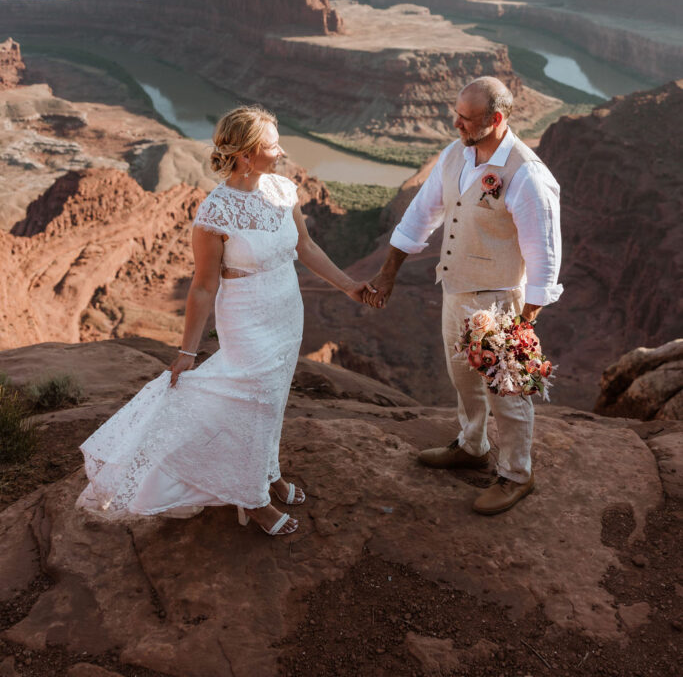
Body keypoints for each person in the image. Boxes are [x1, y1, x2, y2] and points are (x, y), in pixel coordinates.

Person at [77, 106, 369, 536]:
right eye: (272, 145)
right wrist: (186, 352)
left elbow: (305, 248)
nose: (282, 150)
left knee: (272, 401)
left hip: (287, 311)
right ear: (246, 155)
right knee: (251, 404)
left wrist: (349, 286)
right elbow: (202, 286)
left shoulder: (284, 190)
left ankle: (268, 474)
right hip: (247, 318)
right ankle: (250, 500)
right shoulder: (215, 212)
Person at [363, 77, 562, 515]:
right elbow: (421, 215)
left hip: (499, 298)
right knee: (463, 378)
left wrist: (525, 321)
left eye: (465, 118)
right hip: (456, 289)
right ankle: (472, 445)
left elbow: (543, 254)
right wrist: (388, 271)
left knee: (506, 389)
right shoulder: (456, 154)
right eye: (455, 113)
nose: (455, 123)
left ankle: (515, 474)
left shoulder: (527, 175)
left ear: (496, 119)